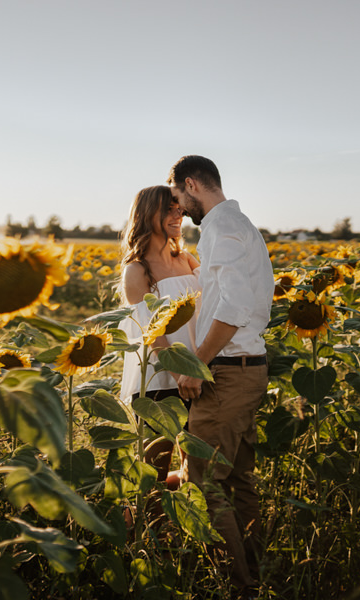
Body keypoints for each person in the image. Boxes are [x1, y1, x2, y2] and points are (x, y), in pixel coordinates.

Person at [167, 155, 274, 595]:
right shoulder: (240, 224)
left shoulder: (219, 229)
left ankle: (234, 587)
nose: (178, 208)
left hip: (228, 372)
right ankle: (258, 575)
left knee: (204, 483)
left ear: (191, 184)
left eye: (177, 196)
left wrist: (198, 363)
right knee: (238, 480)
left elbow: (234, 305)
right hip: (247, 369)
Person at [117, 185, 200, 484]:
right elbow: (152, 333)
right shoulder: (137, 270)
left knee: (195, 466)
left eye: (180, 209)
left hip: (197, 371)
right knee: (155, 470)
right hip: (159, 380)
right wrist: (180, 375)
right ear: (147, 213)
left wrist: (196, 371)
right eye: (169, 209)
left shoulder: (187, 260)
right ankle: (142, 527)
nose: (179, 214)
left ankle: (175, 529)